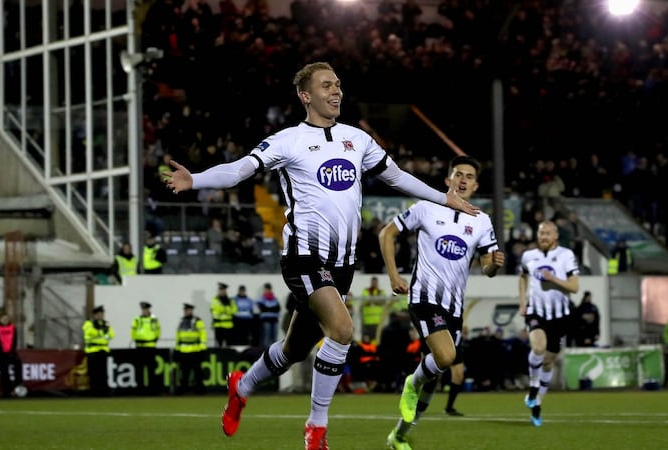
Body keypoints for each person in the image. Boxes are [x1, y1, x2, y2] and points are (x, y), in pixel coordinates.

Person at [163, 61, 479, 449]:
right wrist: (194, 179)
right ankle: (316, 427)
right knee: (343, 331)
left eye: (339, 85)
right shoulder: (287, 141)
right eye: (327, 85)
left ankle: (241, 387)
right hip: (304, 258)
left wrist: (443, 196)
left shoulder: (357, 139)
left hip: (342, 265)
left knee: (292, 351)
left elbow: (396, 176)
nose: (336, 91)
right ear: (305, 96)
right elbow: (239, 170)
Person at [379, 155, 504, 449]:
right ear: (448, 180)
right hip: (424, 297)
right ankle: (411, 382)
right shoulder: (426, 208)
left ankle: (398, 435)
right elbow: (387, 234)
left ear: (475, 186)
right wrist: (393, 275)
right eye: (457, 174)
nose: (462, 180)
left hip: (454, 308)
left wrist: (495, 265)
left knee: (434, 375)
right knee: (446, 358)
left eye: (469, 176)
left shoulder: (483, 221)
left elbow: (487, 268)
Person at [519, 220, 580, 427]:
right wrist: (522, 302)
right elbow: (523, 277)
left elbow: (574, 287)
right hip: (536, 312)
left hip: (560, 316)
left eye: (547, 233)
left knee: (548, 361)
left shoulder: (567, 255)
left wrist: (553, 279)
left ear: (556, 236)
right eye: (540, 233)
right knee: (538, 347)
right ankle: (534, 389)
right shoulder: (528, 256)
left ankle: (537, 404)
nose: (543, 237)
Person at [175, 302, 207, 395]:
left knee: (198, 372)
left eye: (187, 310)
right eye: (185, 310)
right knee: (184, 372)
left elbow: (203, 335)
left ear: (191, 310)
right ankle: (183, 389)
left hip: (195, 350)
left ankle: (200, 389)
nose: (185, 312)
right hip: (183, 351)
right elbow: (178, 336)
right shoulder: (181, 321)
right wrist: (177, 349)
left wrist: (202, 348)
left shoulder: (197, 321)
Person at [83, 305, 115, 396]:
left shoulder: (106, 323)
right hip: (92, 350)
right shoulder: (88, 323)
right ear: (95, 314)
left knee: (103, 372)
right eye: (100, 313)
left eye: (102, 313)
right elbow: (90, 332)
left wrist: (102, 335)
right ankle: (94, 391)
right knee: (93, 372)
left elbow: (111, 334)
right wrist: (102, 333)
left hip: (103, 350)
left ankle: (104, 391)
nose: (102, 315)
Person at [131, 301, 161, 395]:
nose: (144, 311)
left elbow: (158, 331)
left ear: (149, 309)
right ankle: (140, 390)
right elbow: (133, 332)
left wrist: (154, 340)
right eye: (143, 309)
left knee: (151, 369)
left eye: (146, 309)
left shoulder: (154, 319)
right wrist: (136, 339)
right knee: (139, 369)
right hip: (140, 347)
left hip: (150, 347)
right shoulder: (137, 319)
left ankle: (153, 390)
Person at [0, 312, 24, 398]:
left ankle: (17, 387)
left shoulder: (12, 328)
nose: (5, 320)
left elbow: (14, 340)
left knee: (18, 366)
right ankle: (7, 391)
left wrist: (12, 351)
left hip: (11, 353)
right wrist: (1, 352)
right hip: (1, 354)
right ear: (1, 319)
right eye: (4, 319)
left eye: (7, 319)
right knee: (4, 373)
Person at [360, 276, 385, 342]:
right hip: (367, 321)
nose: (374, 284)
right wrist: (376, 300)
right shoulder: (366, 291)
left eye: (375, 282)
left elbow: (383, 302)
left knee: (377, 340)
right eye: (373, 282)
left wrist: (371, 299)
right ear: (371, 282)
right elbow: (364, 302)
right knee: (366, 340)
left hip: (378, 321)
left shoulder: (381, 291)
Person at [256, 283, 281, 348]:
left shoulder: (275, 298)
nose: (268, 290)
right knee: (266, 336)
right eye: (267, 289)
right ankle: (265, 350)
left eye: (269, 289)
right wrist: (272, 308)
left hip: (274, 320)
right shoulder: (261, 298)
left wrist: (268, 308)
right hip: (265, 320)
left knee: (274, 336)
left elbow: (278, 309)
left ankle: (274, 351)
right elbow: (262, 308)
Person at [211, 282, 236, 347]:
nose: (222, 291)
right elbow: (215, 313)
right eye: (221, 290)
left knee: (229, 345)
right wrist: (227, 310)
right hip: (218, 326)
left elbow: (234, 311)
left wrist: (223, 310)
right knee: (219, 345)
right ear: (219, 291)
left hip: (228, 326)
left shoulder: (230, 300)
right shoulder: (215, 300)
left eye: (224, 290)